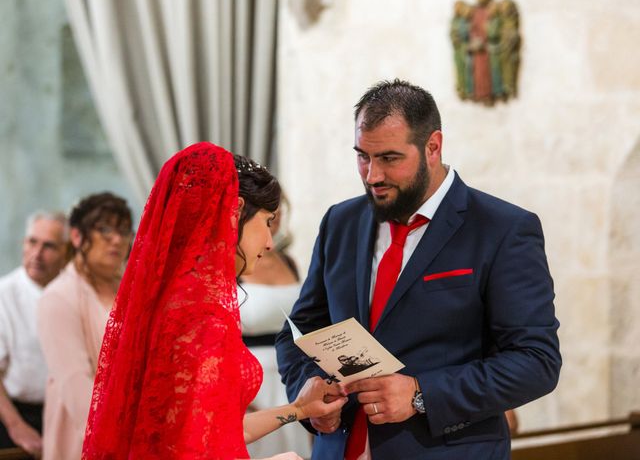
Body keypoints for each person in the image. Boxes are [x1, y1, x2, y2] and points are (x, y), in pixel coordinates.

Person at [275, 79, 561, 459]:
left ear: (433, 147)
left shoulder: (502, 229)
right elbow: (299, 331)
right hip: (337, 449)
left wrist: (421, 393)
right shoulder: (340, 221)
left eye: (389, 158)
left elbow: (536, 361)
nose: (372, 175)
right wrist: (306, 394)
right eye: (362, 155)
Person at [82, 143, 347, 460]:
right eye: (266, 221)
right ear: (234, 213)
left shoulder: (176, 301)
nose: (268, 241)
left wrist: (299, 408)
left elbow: (220, 429)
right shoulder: (203, 317)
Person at [37, 193, 132, 460]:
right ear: (77, 236)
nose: (117, 239)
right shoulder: (58, 297)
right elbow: (76, 386)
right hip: (88, 437)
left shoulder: (130, 292)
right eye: (104, 229)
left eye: (124, 231)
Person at [240, 198, 313, 459]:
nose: (277, 214)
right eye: (268, 211)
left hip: (292, 369)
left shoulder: (289, 262)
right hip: (251, 374)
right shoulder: (235, 263)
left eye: (279, 206)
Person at [0, 211, 68, 456]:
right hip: (15, 415)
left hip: (66, 416)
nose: (37, 254)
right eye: (32, 242)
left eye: (49, 246)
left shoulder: (74, 294)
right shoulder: (3, 295)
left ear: (67, 252)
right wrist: (17, 427)